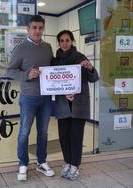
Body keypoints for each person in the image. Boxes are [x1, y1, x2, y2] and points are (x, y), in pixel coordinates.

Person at [6, 15, 55, 181]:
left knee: (43, 133)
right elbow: (9, 71)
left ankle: (41, 162)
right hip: (28, 98)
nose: (37, 31)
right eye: (34, 27)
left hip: (46, 98)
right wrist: (27, 74)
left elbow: (54, 69)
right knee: (24, 132)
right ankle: (23, 163)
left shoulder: (48, 47)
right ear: (28, 29)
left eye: (40, 28)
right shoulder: (20, 48)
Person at [53, 30, 99, 180]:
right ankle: (67, 162)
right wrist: (63, 92)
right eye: (62, 40)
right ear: (58, 43)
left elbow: (93, 78)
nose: (65, 43)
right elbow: (52, 83)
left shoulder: (80, 58)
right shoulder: (55, 61)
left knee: (76, 136)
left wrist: (90, 67)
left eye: (67, 40)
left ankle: (75, 166)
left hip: (79, 104)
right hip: (62, 104)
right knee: (63, 136)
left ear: (72, 41)